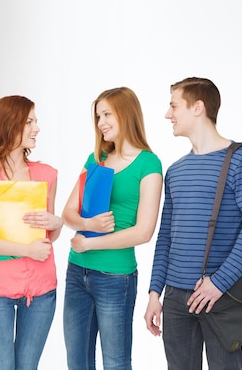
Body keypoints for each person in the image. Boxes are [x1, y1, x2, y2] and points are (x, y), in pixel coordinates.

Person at [144, 77, 242, 369]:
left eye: (174, 105)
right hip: (175, 300)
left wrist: (219, 283)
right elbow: (166, 238)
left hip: (220, 296)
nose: (167, 114)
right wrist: (154, 293)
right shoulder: (175, 171)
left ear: (197, 107)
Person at [62, 87, 163, 370]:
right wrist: (87, 225)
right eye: (97, 116)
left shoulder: (149, 164)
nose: (101, 122)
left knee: (116, 363)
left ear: (126, 114)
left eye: (107, 114)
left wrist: (90, 242)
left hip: (115, 278)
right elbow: (68, 212)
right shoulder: (96, 159)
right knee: (77, 362)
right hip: (76, 272)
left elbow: (144, 231)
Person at [0, 95, 63, 370]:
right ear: (10, 125)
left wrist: (57, 224)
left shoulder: (47, 174)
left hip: (41, 288)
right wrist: (26, 250)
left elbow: (48, 236)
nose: (37, 128)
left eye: (36, 121)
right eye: (29, 122)